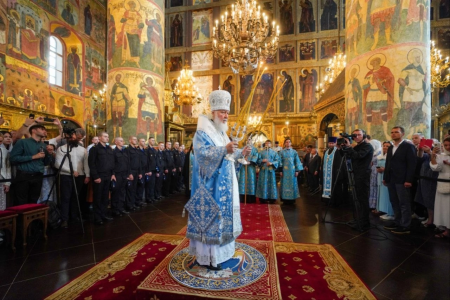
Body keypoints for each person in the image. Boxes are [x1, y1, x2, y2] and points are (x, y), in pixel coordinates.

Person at [184, 89, 250, 270]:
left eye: (227, 112)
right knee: (213, 222)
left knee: (225, 221)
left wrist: (240, 153)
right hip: (210, 189)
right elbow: (202, 155)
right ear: (213, 113)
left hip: (226, 187)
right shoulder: (202, 132)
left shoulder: (221, 133)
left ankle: (225, 254)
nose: (226, 115)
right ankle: (209, 258)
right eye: (222, 112)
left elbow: (228, 155)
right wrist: (224, 150)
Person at [383, 126, 417, 234]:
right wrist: (385, 177)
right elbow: (388, 163)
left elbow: (412, 165)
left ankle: (405, 225)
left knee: (404, 203)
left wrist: (409, 180)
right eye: (392, 132)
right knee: (394, 201)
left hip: (402, 179)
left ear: (402, 134)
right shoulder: (390, 147)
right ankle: (397, 221)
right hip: (391, 179)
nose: (393, 134)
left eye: (396, 132)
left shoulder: (408, 146)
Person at [54, 131, 90, 228]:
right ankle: (64, 219)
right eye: (71, 137)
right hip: (66, 176)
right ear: (67, 138)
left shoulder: (83, 150)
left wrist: (87, 175)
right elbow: (57, 164)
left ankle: (74, 217)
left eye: (74, 137)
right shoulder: (61, 149)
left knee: (76, 197)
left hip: (80, 176)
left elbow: (85, 163)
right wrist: (71, 171)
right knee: (66, 197)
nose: (73, 138)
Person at [10, 124, 52, 205]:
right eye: (42, 129)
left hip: (38, 175)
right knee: (21, 201)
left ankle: (32, 217)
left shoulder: (43, 145)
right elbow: (13, 158)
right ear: (34, 130)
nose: (45, 131)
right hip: (24, 175)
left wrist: (49, 154)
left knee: (34, 200)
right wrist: (33, 157)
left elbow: (45, 163)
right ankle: (21, 218)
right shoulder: (22, 142)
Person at [341, 129, 374, 231]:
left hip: (363, 175)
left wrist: (350, 147)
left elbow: (358, 156)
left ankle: (364, 223)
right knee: (358, 198)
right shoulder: (357, 146)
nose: (356, 137)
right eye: (355, 135)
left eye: (359, 135)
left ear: (364, 135)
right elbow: (347, 156)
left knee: (363, 199)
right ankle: (359, 219)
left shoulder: (367, 146)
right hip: (356, 174)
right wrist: (343, 148)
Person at [88, 132, 115, 225]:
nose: (107, 138)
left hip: (108, 175)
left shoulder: (109, 148)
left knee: (105, 197)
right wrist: (95, 176)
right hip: (99, 176)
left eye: (108, 136)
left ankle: (103, 214)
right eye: (105, 136)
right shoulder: (94, 149)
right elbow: (92, 164)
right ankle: (97, 217)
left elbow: (112, 162)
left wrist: (113, 174)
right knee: (98, 197)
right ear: (99, 138)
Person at [430, 136, 450, 239]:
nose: (448, 147)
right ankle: (446, 229)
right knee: (444, 208)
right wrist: (433, 155)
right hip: (442, 182)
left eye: (449, 145)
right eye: (446, 145)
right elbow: (436, 168)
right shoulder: (441, 156)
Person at [415, 142, 439, 227]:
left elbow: (436, 163)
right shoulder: (425, 156)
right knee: (426, 200)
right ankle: (430, 218)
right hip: (424, 180)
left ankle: (434, 220)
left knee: (431, 201)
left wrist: (430, 152)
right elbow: (420, 156)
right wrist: (420, 149)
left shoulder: (438, 155)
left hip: (433, 181)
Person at [322, 137, 346, 205]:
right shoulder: (326, 151)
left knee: (335, 187)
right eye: (330, 143)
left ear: (335, 143)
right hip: (326, 173)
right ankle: (326, 200)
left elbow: (339, 162)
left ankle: (334, 201)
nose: (331, 144)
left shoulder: (338, 151)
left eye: (332, 143)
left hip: (334, 173)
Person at [111, 137, 131, 217]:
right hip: (117, 175)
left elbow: (128, 164)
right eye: (121, 141)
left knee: (122, 192)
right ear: (116, 142)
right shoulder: (114, 152)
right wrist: (113, 174)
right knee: (116, 192)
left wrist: (129, 174)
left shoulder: (125, 151)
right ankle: (115, 210)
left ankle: (121, 208)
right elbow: (112, 164)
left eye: (123, 140)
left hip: (124, 175)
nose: (123, 142)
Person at [279, 138, 303, 204]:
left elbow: (297, 161)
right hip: (284, 171)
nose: (288, 143)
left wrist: (297, 171)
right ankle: (284, 199)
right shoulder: (281, 152)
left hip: (292, 171)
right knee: (284, 184)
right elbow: (280, 162)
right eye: (286, 142)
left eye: (289, 142)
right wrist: (280, 171)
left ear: (291, 143)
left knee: (292, 184)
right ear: (284, 143)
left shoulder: (294, 152)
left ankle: (292, 199)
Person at [256, 140, 280, 204]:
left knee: (271, 183)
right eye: (266, 143)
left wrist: (271, 163)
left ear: (271, 144)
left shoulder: (274, 153)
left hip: (270, 171)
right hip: (263, 170)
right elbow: (257, 161)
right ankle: (263, 198)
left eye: (268, 143)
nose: (267, 144)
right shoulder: (261, 152)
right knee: (263, 183)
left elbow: (277, 161)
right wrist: (262, 160)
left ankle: (271, 198)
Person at [376, 141, 394, 220]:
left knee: (388, 195)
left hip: (388, 176)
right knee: (382, 195)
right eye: (384, 146)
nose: (385, 147)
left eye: (387, 146)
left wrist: (385, 169)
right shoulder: (380, 156)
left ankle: (390, 213)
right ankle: (384, 211)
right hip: (380, 176)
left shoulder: (392, 156)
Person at [238, 137, 258, 204]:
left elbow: (256, 156)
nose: (248, 141)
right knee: (242, 181)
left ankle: (250, 198)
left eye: (250, 140)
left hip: (250, 168)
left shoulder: (255, 149)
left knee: (251, 180)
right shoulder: (242, 148)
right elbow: (239, 156)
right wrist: (243, 160)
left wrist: (250, 162)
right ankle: (242, 197)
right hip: (243, 168)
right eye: (247, 139)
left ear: (252, 141)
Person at [125, 136, 142, 210]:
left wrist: (140, 172)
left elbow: (139, 162)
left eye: (136, 139)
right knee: (129, 189)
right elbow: (127, 162)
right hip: (131, 171)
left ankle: (133, 203)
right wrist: (129, 173)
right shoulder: (127, 150)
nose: (135, 140)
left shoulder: (137, 150)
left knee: (134, 188)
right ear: (130, 140)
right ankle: (129, 205)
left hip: (137, 171)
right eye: (134, 139)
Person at [369, 139, 382, 213]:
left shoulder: (380, 152)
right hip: (372, 171)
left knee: (376, 188)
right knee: (372, 188)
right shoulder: (373, 152)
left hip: (377, 171)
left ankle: (377, 206)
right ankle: (372, 205)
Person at [145, 137, 157, 203]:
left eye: (154, 140)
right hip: (149, 170)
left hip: (154, 170)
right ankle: (148, 198)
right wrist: (148, 170)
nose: (153, 141)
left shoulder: (154, 150)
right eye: (152, 140)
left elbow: (156, 160)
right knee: (148, 185)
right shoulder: (147, 150)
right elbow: (147, 161)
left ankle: (151, 197)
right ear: (149, 141)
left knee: (153, 184)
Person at [0, 143, 11, 210]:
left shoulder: (5, 151)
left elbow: (8, 168)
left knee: (2, 204)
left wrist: (8, 182)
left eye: (1, 141)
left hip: (2, 178)